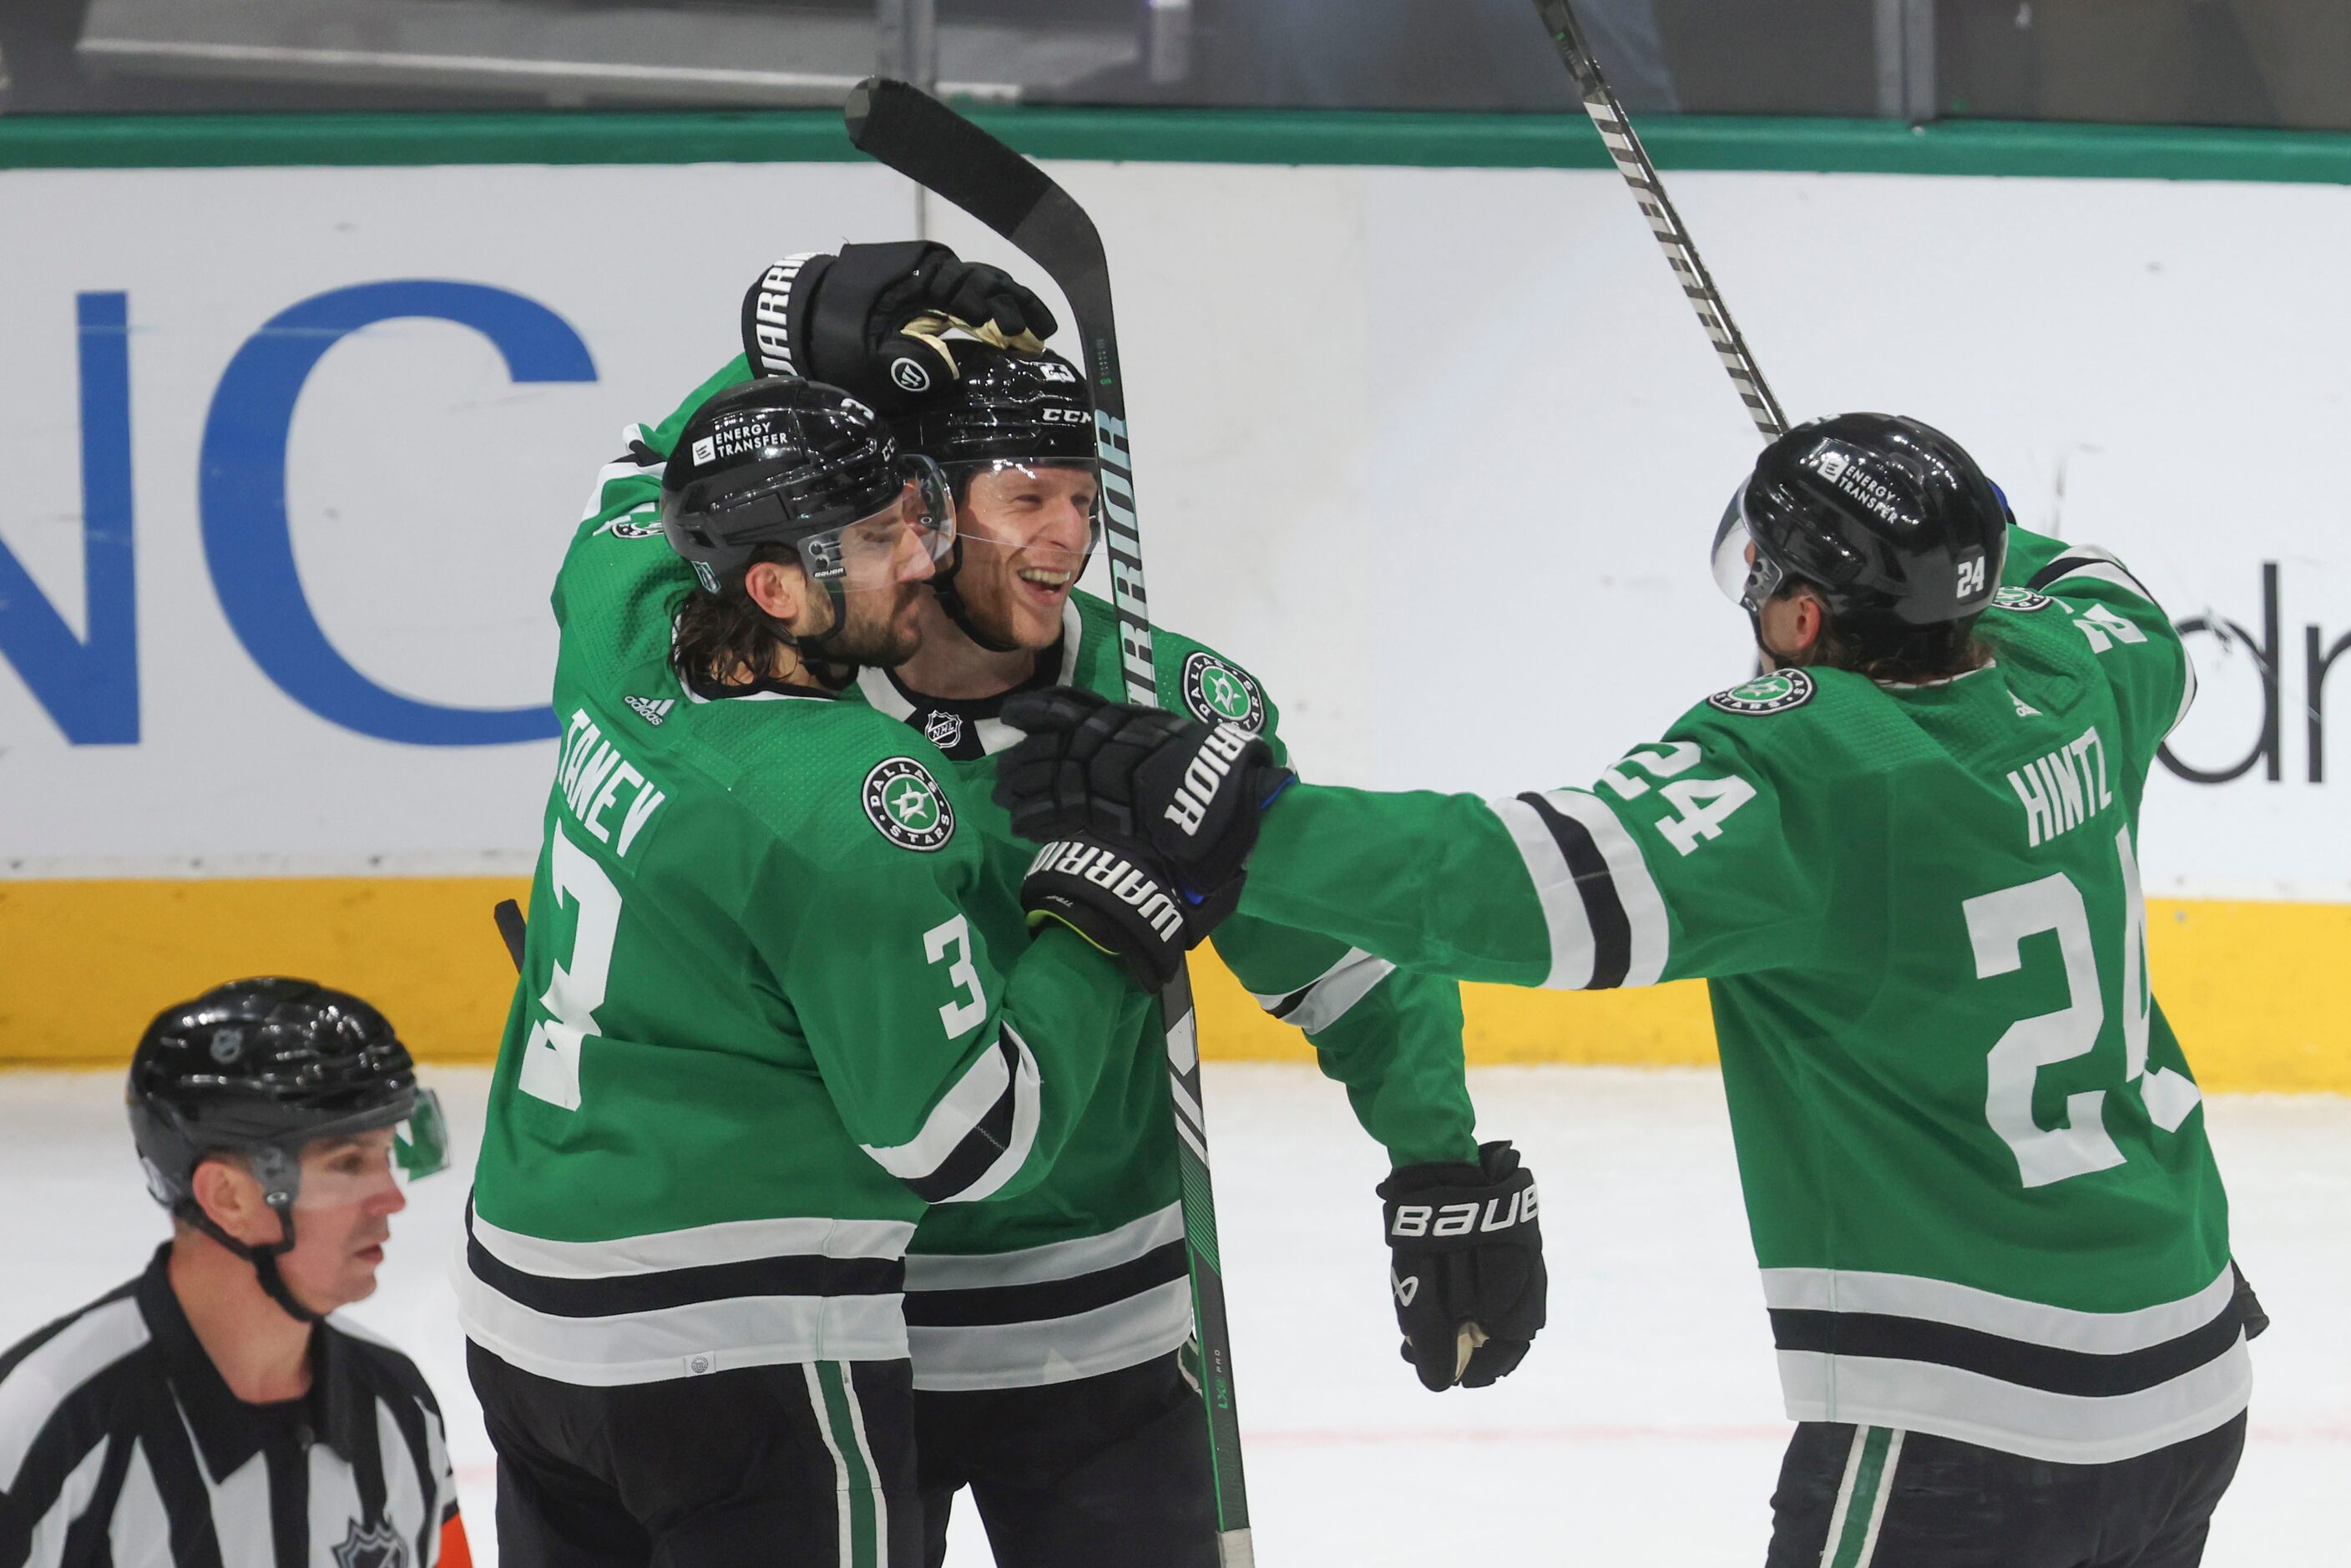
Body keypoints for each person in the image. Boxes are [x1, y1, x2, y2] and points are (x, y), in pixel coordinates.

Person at [999, 413, 2263, 1565]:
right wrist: (1918, 509)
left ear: (1807, 620)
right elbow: (2095, 580)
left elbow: (1528, 886)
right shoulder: (2078, 669)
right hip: (2191, 1372)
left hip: (1980, 1418)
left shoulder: (1820, 764)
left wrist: (1247, 820)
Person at [571, 241, 1547, 1566]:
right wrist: (799, 346)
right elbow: (651, 496)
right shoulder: (779, 687)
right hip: (842, 1337)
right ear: (918, 509)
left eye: (1086, 501)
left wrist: (1435, 1157)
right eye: (1027, 496)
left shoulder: (1168, 703)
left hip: (1103, 1334)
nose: (1068, 537)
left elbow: (1344, 960)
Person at [461, 375, 1214, 1568]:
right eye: (875, 539)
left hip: (525, 1312)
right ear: (772, 584)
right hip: (732, 1350)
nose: (922, 555)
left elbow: (636, 468)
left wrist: (797, 327)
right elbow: (964, 1143)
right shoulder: (853, 799)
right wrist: (1101, 915)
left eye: (911, 515)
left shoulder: (620, 625)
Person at [0, 978, 469, 1568]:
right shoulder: (39, 1426)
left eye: (385, 1156)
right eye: (348, 1163)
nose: (390, 1198)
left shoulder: (399, 1408)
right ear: (227, 1196)